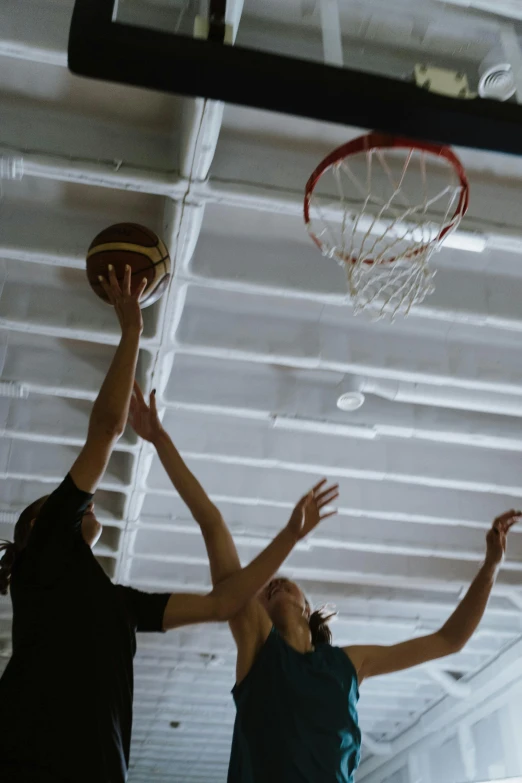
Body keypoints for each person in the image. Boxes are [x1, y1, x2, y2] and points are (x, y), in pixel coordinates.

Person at [0, 267, 331, 783]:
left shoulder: (119, 605)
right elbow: (108, 429)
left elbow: (225, 602)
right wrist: (133, 329)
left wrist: (289, 536)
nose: (82, 505)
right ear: (37, 527)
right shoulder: (44, 548)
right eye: (58, 503)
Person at [127, 385, 520, 783]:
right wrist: (160, 440)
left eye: (285, 584)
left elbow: (449, 640)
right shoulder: (257, 645)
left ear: (306, 605)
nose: (274, 586)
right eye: (267, 587)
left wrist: (491, 565)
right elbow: (212, 524)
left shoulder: (347, 664)